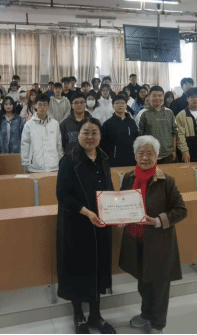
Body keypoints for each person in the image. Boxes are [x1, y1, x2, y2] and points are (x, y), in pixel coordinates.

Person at [120, 136, 187, 334]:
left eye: (150, 153)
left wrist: (158, 220)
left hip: (159, 242)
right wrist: (119, 217)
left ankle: (158, 324)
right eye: (141, 153)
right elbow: (121, 203)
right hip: (135, 239)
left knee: (159, 286)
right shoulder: (128, 178)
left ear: (157, 156)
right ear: (135, 155)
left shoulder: (167, 181)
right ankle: (146, 314)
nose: (145, 157)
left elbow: (181, 210)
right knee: (143, 281)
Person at [56, 118, 116, 335]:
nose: (90, 137)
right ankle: (78, 315)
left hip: (100, 223)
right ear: (78, 135)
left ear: (100, 136)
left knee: (98, 267)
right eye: (86, 132)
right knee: (77, 269)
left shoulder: (104, 158)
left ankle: (96, 315)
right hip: (76, 224)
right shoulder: (69, 160)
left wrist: (117, 210)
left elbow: (109, 188)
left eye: (94, 133)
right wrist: (87, 212)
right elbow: (62, 195)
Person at [21, 94, 63, 173]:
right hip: (35, 167)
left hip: (53, 166)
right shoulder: (29, 125)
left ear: (48, 107)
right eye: (40, 104)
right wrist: (25, 164)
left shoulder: (55, 124)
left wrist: (60, 161)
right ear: (35, 106)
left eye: (45, 105)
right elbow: (25, 145)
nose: (42, 107)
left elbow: (58, 145)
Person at [138, 86, 178, 165]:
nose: (157, 98)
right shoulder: (143, 114)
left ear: (163, 96)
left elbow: (174, 132)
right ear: (149, 96)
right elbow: (140, 135)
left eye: (160, 95)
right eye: (154, 95)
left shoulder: (169, 112)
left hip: (168, 154)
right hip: (150, 156)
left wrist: (174, 150)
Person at [101, 95, 139, 167]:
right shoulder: (108, 124)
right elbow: (103, 144)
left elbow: (136, 139)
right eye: (117, 103)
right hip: (114, 160)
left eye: (122, 103)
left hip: (131, 159)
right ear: (113, 106)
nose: (120, 105)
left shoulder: (132, 122)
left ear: (126, 105)